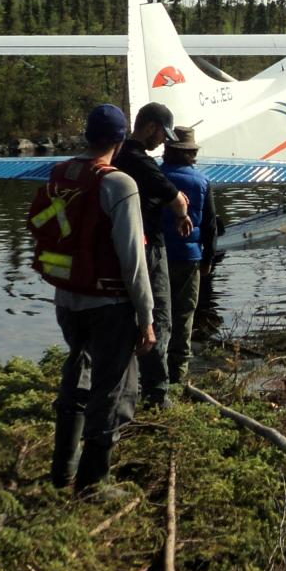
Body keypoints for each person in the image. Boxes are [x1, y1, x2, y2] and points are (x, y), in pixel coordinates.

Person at [42, 104, 156, 492]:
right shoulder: (119, 183)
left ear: (88, 136)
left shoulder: (62, 174)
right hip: (110, 305)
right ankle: (93, 483)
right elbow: (132, 259)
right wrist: (147, 316)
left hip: (67, 300)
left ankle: (62, 473)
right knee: (114, 390)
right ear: (121, 140)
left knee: (78, 373)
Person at [112, 102, 193, 406]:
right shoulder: (141, 162)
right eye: (162, 134)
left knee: (129, 317)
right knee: (159, 317)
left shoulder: (115, 156)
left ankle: (128, 387)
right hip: (149, 248)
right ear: (150, 127)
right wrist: (182, 215)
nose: (162, 141)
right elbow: (178, 200)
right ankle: (158, 394)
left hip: (118, 248)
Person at [158, 126, 218, 391]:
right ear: (192, 154)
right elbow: (210, 226)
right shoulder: (202, 182)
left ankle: (153, 374)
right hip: (189, 257)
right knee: (183, 315)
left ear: (167, 150)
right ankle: (178, 376)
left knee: (156, 313)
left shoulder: (154, 177)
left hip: (154, 256)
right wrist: (208, 258)